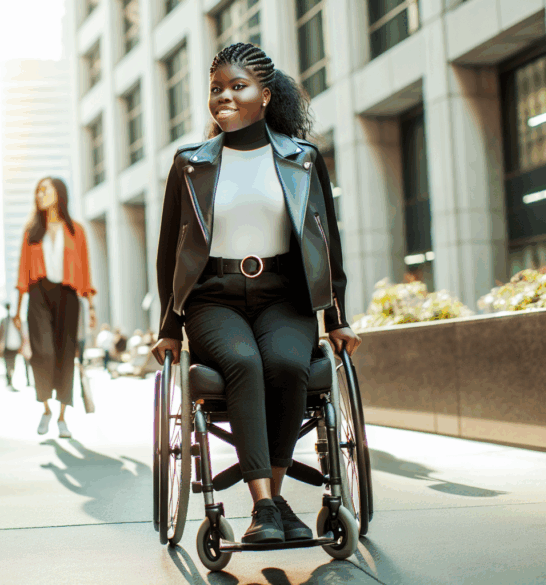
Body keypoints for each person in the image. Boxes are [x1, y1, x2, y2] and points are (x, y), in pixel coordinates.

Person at [151, 43, 362, 545]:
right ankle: (265, 505)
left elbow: (323, 243)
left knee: (288, 365)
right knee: (242, 363)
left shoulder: (302, 161)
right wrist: (168, 330)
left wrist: (336, 318)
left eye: (237, 86)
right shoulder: (190, 165)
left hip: (283, 295)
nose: (223, 96)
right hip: (212, 298)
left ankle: (275, 497)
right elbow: (169, 252)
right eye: (215, 89)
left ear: (265, 96)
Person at [13, 177, 97, 440]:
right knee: (44, 353)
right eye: (37, 190)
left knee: (65, 355)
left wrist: (91, 308)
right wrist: (16, 311)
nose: (39, 194)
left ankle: (61, 418)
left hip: (68, 296)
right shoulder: (31, 231)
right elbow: (22, 273)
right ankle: (45, 408)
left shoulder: (76, 230)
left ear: (58, 194)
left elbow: (85, 269)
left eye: (44, 190)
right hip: (38, 296)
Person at [0, 303, 23, 391]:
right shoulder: (3, 321)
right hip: (6, 346)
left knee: (12, 364)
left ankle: (10, 379)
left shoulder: (15, 320)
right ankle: (9, 380)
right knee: (7, 364)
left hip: (14, 346)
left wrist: (21, 344)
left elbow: (20, 332)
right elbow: (0, 334)